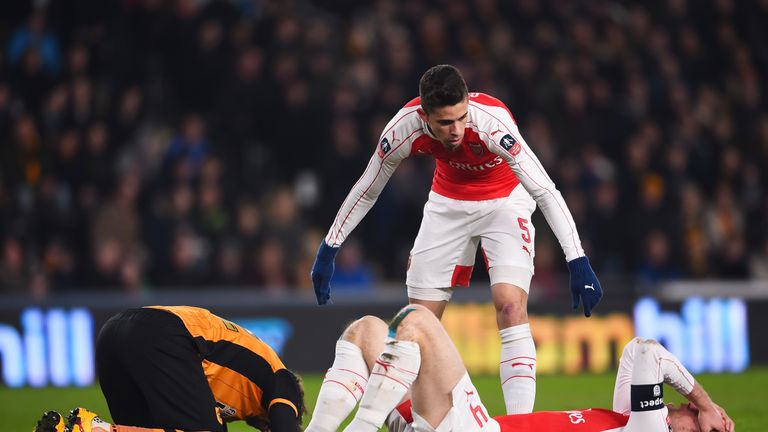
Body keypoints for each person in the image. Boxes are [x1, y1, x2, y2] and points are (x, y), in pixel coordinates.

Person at [311, 64, 602, 414]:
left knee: (510, 306)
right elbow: (367, 189)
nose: (457, 130)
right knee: (416, 326)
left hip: (505, 201)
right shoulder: (402, 128)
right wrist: (329, 247)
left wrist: (577, 259)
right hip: (447, 204)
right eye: (446, 123)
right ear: (425, 116)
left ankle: (520, 424)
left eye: (462, 118)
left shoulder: (491, 122)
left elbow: (544, 189)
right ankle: (423, 422)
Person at [305, 305, 734, 432]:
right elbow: (632, 355)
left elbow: (646, 352)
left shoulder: (651, 431)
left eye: (693, 419)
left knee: (417, 323)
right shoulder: (629, 421)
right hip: (459, 427)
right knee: (365, 331)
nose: (685, 409)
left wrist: (707, 402)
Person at [34, 306, 305, 432]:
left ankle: (70, 429)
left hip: (115, 334)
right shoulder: (282, 381)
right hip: (163, 335)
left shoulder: (241, 395)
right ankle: (92, 429)